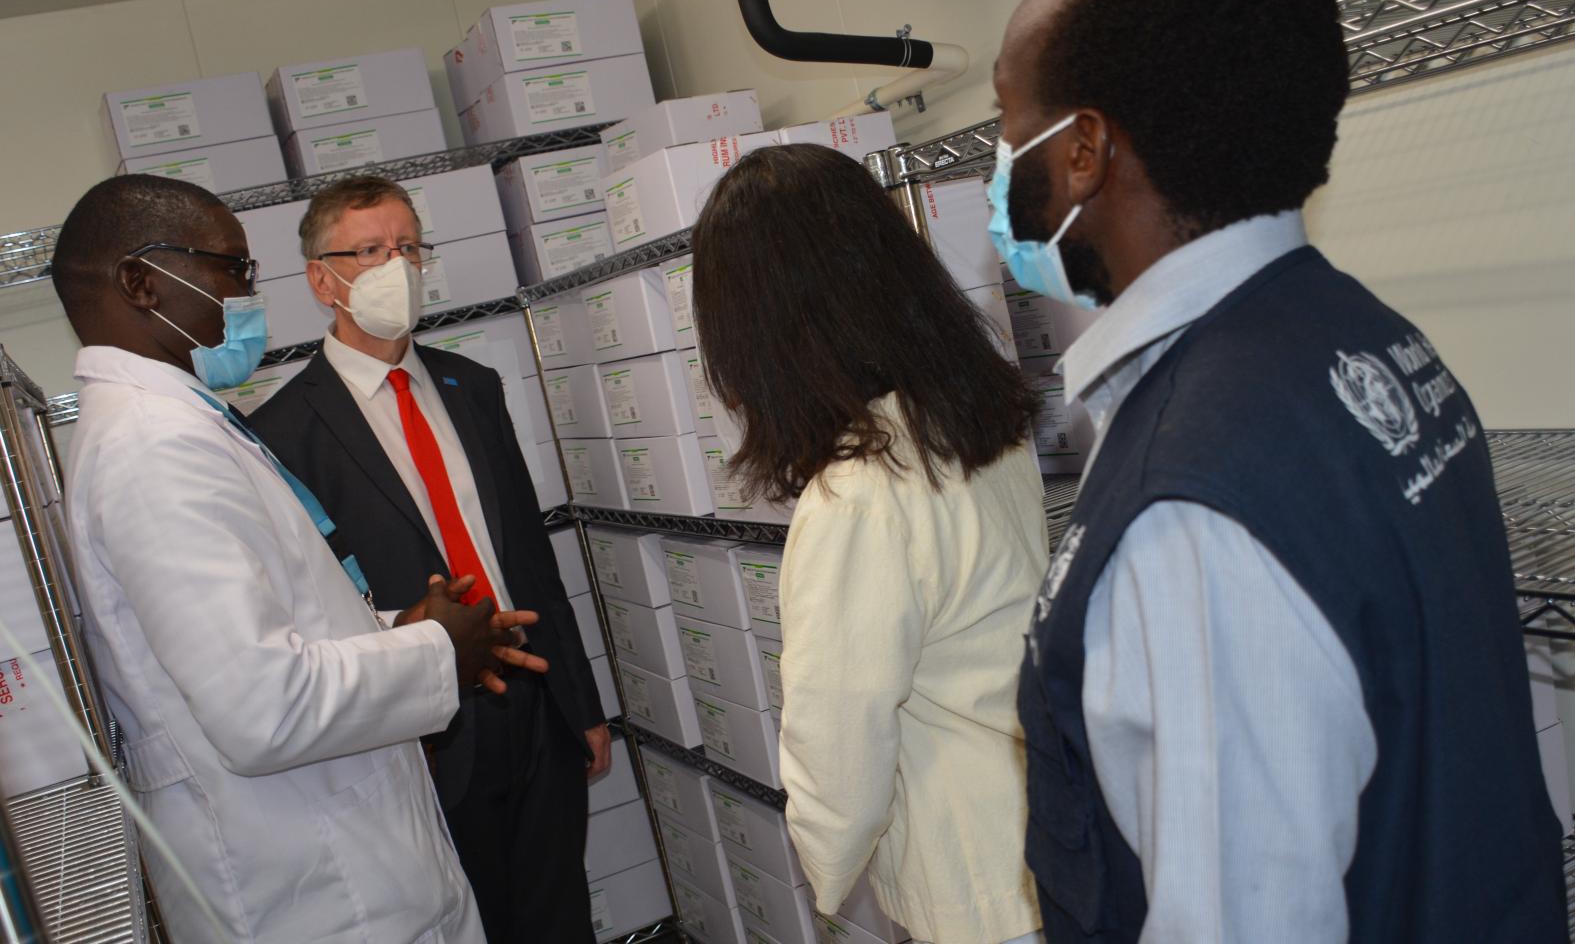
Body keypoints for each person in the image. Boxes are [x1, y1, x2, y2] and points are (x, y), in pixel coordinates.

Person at [997, 0, 1565, 943]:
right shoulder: (1365, 338)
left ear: (1083, 152)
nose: (1001, 166)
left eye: (1007, 124)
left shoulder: (1194, 510)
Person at [53, 173, 542, 943]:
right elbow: (264, 709)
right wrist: (435, 648)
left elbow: (283, 622)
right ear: (140, 282)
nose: (249, 294)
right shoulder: (154, 446)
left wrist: (393, 629)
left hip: (347, 861)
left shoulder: (184, 425)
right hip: (317, 893)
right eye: (230, 269)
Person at [690, 143, 1050, 944]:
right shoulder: (970, 417)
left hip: (969, 874)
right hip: (1044, 822)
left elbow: (838, 742)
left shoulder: (856, 496)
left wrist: (826, 870)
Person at [249, 175, 610, 943]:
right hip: (425, 731)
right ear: (323, 279)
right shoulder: (283, 430)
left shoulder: (471, 386)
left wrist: (581, 705)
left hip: (533, 696)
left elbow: (530, 557)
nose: (396, 267)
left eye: (408, 247)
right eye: (370, 250)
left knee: (557, 916)